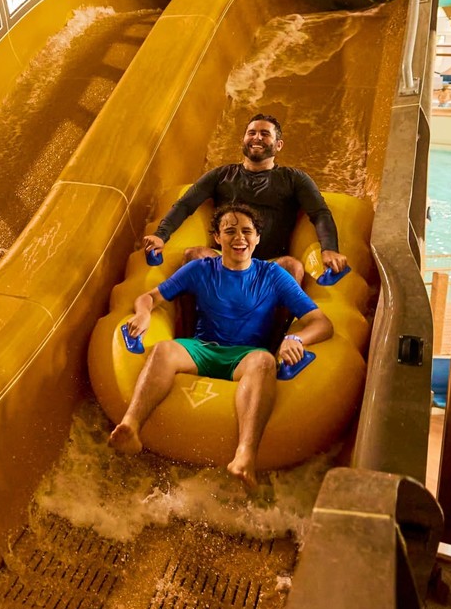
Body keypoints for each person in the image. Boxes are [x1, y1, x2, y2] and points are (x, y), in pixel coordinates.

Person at [111, 204, 334, 489]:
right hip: (202, 348)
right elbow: (149, 297)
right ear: (217, 237)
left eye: (246, 232)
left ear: (257, 239)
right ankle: (130, 426)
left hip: (245, 356)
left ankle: (244, 456)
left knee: (264, 361)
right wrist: (143, 314)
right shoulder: (200, 269)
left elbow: (321, 322)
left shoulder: (273, 276)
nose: (238, 238)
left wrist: (296, 339)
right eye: (230, 231)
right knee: (163, 349)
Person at [143, 114, 346, 282]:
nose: (257, 138)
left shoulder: (293, 179)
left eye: (265, 134)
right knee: (194, 256)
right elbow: (186, 204)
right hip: (224, 258)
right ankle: (188, 326)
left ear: (279, 145)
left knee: (292, 266)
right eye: (252, 133)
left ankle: (278, 332)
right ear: (244, 140)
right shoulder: (221, 175)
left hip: (269, 262)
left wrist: (330, 249)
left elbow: (319, 213)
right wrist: (161, 235)